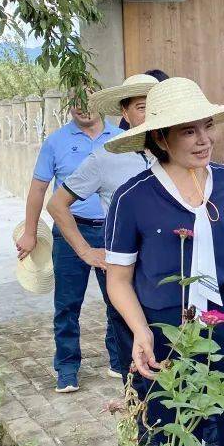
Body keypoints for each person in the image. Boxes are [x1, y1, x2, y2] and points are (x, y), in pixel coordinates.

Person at [103, 77, 224, 446]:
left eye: (207, 126)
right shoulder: (133, 197)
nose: (203, 140)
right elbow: (119, 280)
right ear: (161, 138)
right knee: (171, 433)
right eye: (188, 131)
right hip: (167, 328)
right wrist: (141, 331)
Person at [45, 71, 168, 382]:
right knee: (134, 355)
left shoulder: (179, 153)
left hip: (169, 271)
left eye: (156, 105)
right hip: (127, 270)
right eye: (141, 107)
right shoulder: (106, 157)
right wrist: (86, 251)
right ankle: (74, 369)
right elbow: (57, 205)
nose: (151, 114)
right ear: (125, 112)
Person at [16, 88, 121, 393]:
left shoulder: (120, 139)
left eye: (89, 101)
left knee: (118, 300)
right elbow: (38, 190)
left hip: (113, 230)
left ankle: (119, 360)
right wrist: (30, 233)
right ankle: (67, 368)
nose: (83, 108)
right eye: (76, 102)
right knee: (67, 304)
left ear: (101, 103)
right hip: (70, 231)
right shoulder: (56, 142)